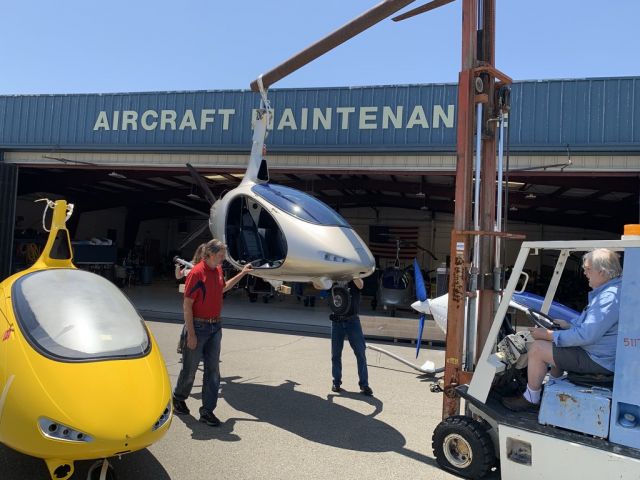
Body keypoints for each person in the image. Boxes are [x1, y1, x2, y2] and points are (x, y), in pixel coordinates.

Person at [502, 248, 622, 412]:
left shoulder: (608, 298)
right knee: (557, 345)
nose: (585, 273)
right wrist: (567, 326)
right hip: (600, 354)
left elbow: (586, 335)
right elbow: (591, 328)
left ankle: (531, 397)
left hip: (598, 359)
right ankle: (551, 391)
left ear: (602, 272)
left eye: (588, 269)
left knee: (537, 348)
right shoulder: (611, 292)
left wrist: (548, 334)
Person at [172, 239, 253, 426]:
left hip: (215, 327)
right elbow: (187, 305)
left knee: (213, 371)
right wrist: (191, 334)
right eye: (220, 255)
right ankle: (178, 398)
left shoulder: (217, 270)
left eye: (223, 256)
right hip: (198, 328)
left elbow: (223, 288)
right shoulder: (196, 273)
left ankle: (207, 411)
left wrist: (242, 273)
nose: (223, 259)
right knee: (189, 370)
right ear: (209, 254)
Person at [330, 278, 373, 396]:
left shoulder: (355, 281)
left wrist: (353, 272)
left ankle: (364, 384)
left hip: (352, 321)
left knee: (360, 353)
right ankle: (336, 382)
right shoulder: (333, 281)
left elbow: (361, 285)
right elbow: (318, 286)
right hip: (337, 320)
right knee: (335, 354)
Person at [175, 243, 207, 355]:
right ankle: (182, 344)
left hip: (203, 298)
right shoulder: (191, 264)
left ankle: (199, 347)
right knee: (189, 322)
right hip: (191, 298)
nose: (205, 255)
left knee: (200, 322)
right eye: (204, 252)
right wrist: (178, 266)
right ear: (199, 253)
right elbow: (178, 276)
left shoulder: (208, 266)